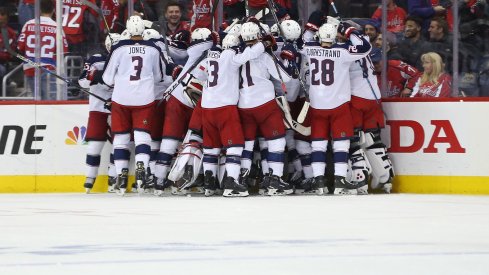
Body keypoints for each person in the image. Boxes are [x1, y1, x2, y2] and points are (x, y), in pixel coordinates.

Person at [193, 24, 275, 197]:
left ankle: (209, 183)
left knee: (211, 147)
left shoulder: (209, 56)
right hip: (225, 108)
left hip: (206, 107)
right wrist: (265, 44)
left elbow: (199, 75)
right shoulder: (230, 55)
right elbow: (250, 54)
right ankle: (231, 182)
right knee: (235, 146)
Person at [301, 22, 371, 195]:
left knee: (318, 145)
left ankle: (318, 182)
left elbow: (303, 40)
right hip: (339, 106)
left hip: (317, 105)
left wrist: (311, 27)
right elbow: (365, 47)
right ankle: (339, 181)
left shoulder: (309, 49)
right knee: (341, 145)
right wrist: (350, 31)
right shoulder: (342, 52)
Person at [102, 16, 164, 195]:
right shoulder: (153, 48)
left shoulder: (118, 48)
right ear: (143, 31)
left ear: (127, 30)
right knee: (142, 136)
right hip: (144, 99)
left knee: (120, 138)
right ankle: (141, 169)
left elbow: (106, 79)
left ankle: (121, 175)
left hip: (121, 98)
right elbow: (159, 76)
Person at [237, 21, 295, 196]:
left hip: (243, 104)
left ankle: (242, 179)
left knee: (247, 143)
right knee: (276, 140)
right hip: (264, 103)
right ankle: (274, 181)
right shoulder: (264, 55)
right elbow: (286, 77)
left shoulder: (235, 53)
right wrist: (286, 59)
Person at [348, 47, 395, 194]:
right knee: (373, 139)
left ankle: (359, 178)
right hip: (374, 98)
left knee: (352, 140)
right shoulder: (366, 49)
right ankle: (385, 177)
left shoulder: (345, 51)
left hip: (355, 98)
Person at [79, 33, 120, 194]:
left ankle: (113, 177)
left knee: (119, 144)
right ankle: (90, 177)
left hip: (118, 108)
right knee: (95, 146)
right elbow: (82, 81)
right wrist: (95, 76)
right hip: (98, 108)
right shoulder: (96, 59)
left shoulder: (125, 58)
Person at [17, 0, 68, 100]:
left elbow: (20, 47)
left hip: (29, 67)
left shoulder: (28, 24)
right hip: (48, 68)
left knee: (36, 100)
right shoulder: (57, 27)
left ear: (39, 10)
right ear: (54, 10)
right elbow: (64, 51)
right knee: (50, 101)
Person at [0, 6, 16, 95]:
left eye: (3, 21)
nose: (2, 23)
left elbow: (9, 53)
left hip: (2, 63)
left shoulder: (10, 33)